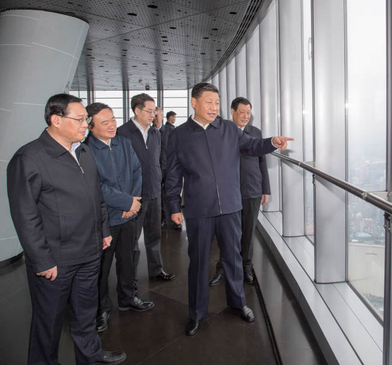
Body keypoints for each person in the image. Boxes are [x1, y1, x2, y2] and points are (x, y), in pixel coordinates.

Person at [6, 93, 126, 364]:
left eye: (87, 119)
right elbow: (25, 215)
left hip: (89, 252)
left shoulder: (83, 151)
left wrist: (104, 230)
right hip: (55, 261)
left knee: (86, 314)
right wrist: (42, 259)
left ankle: (91, 356)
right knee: (48, 323)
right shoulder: (29, 158)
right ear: (56, 120)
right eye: (81, 119)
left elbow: (96, 195)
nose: (86, 124)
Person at [166, 83, 292, 336]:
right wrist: (172, 205)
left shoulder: (229, 129)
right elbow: (172, 173)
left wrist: (272, 142)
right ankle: (197, 313)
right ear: (194, 102)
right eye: (209, 102)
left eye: (217, 102)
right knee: (199, 263)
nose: (214, 107)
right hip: (199, 208)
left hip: (231, 207)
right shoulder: (178, 135)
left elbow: (253, 146)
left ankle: (238, 303)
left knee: (233, 259)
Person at [85, 103, 154, 333]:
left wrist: (132, 203)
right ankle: (101, 309)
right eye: (104, 122)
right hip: (105, 220)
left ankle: (127, 298)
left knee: (128, 260)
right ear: (90, 126)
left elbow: (137, 171)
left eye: (113, 119)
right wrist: (126, 202)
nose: (112, 125)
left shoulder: (124, 143)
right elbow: (96, 187)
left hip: (129, 215)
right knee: (101, 269)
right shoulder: (85, 151)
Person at [117, 94, 174, 294]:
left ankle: (156, 269)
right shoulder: (122, 133)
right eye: (149, 111)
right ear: (137, 111)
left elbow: (158, 161)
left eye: (154, 111)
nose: (153, 115)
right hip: (135, 195)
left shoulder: (155, 133)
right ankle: (129, 277)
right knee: (132, 239)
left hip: (154, 191)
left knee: (154, 234)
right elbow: (120, 168)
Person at [210, 97, 270, 286]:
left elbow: (262, 161)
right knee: (228, 232)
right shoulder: (223, 132)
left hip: (252, 188)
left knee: (248, 231)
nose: (245, 116)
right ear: (232, 112)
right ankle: (223, 267)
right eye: (242, 112)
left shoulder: (255, 132)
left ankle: (247, 266)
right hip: (229, 190)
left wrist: (265, 189)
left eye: (248, 112)